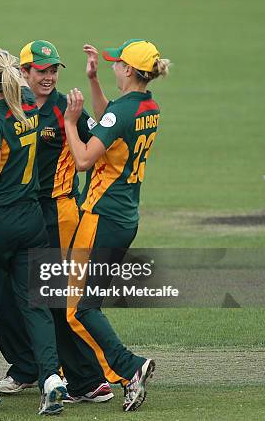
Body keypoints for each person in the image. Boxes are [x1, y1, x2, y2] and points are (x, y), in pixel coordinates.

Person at [0, 40, 114, 404]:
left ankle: (88, 380)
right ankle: (28, 367)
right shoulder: (17, 103)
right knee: (1, 295)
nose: (48, 77)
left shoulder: (66, 107)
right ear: (24, 72)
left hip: (57, 214)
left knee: (54, 300)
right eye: (41, 70)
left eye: (53, 71)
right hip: (21, 213)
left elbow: (101, 143)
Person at [61, 39, 170, 412]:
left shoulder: (122, 111)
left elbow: (84, 160)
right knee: (87, 304)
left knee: (79, 309)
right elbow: (111, 119)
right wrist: (93, 82)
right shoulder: (148, 106)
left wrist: (70, 124)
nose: (112, 67)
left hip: (100, 216)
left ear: (128, 70)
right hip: (125, 218)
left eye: (115, 64)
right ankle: (109, 374)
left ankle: (129, 368)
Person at [0, 50, 67, 415]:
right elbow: (16, 80)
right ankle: (51, 377)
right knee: (36, 304)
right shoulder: (29, 107)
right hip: (32, 218)